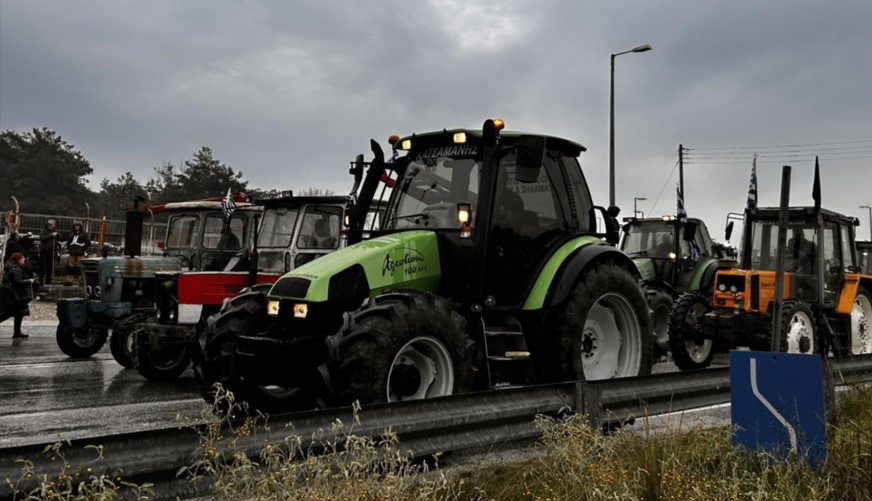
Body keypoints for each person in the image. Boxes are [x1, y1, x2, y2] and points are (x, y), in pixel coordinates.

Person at [1, 252, 36, 338]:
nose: (24, 259)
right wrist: (29, 281)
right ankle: (17, 332)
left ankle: (17, 332)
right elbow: (17, 281)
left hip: (12, 294)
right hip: (13, 295)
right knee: (6, 313)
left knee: (18, 313)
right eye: (22, 258)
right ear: (18, 259)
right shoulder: (16, 269)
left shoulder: (13, 267)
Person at [38, 219, 60, 285]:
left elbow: (61, 238)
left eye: (50, 224)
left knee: (50, 267)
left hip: (52, 252)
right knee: (42, 267)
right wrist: (51, 235)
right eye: (48, 224)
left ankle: (48, 280)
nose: (49, 225)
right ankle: (41, 280)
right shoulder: (43, 231)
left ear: (54, 225)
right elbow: (42, 239)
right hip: (44, 252)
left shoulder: (56, 231)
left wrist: (57, 235)